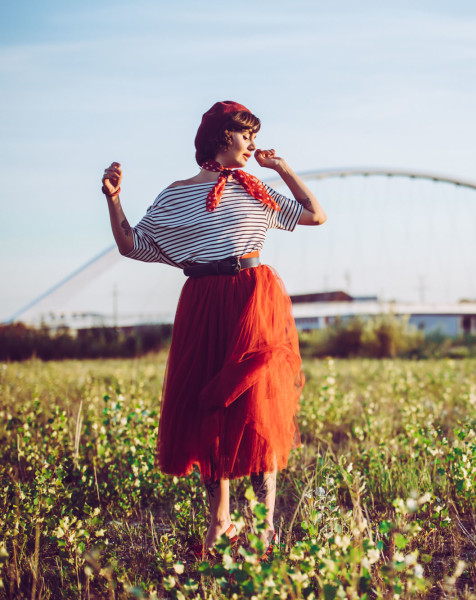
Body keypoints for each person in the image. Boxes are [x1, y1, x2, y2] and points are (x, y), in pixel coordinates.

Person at [101, 101, 327, 558]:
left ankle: (263, 526)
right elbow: (131, 245)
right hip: (204, 304)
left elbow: (314, 213)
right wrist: (113, 200)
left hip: (252, 301)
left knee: (258, 410)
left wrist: (280, 168)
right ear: (225, 136)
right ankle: (220, 521)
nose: (254, 144)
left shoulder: (256, 188)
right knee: (210, 410)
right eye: (248, 136)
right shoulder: (177, 195)